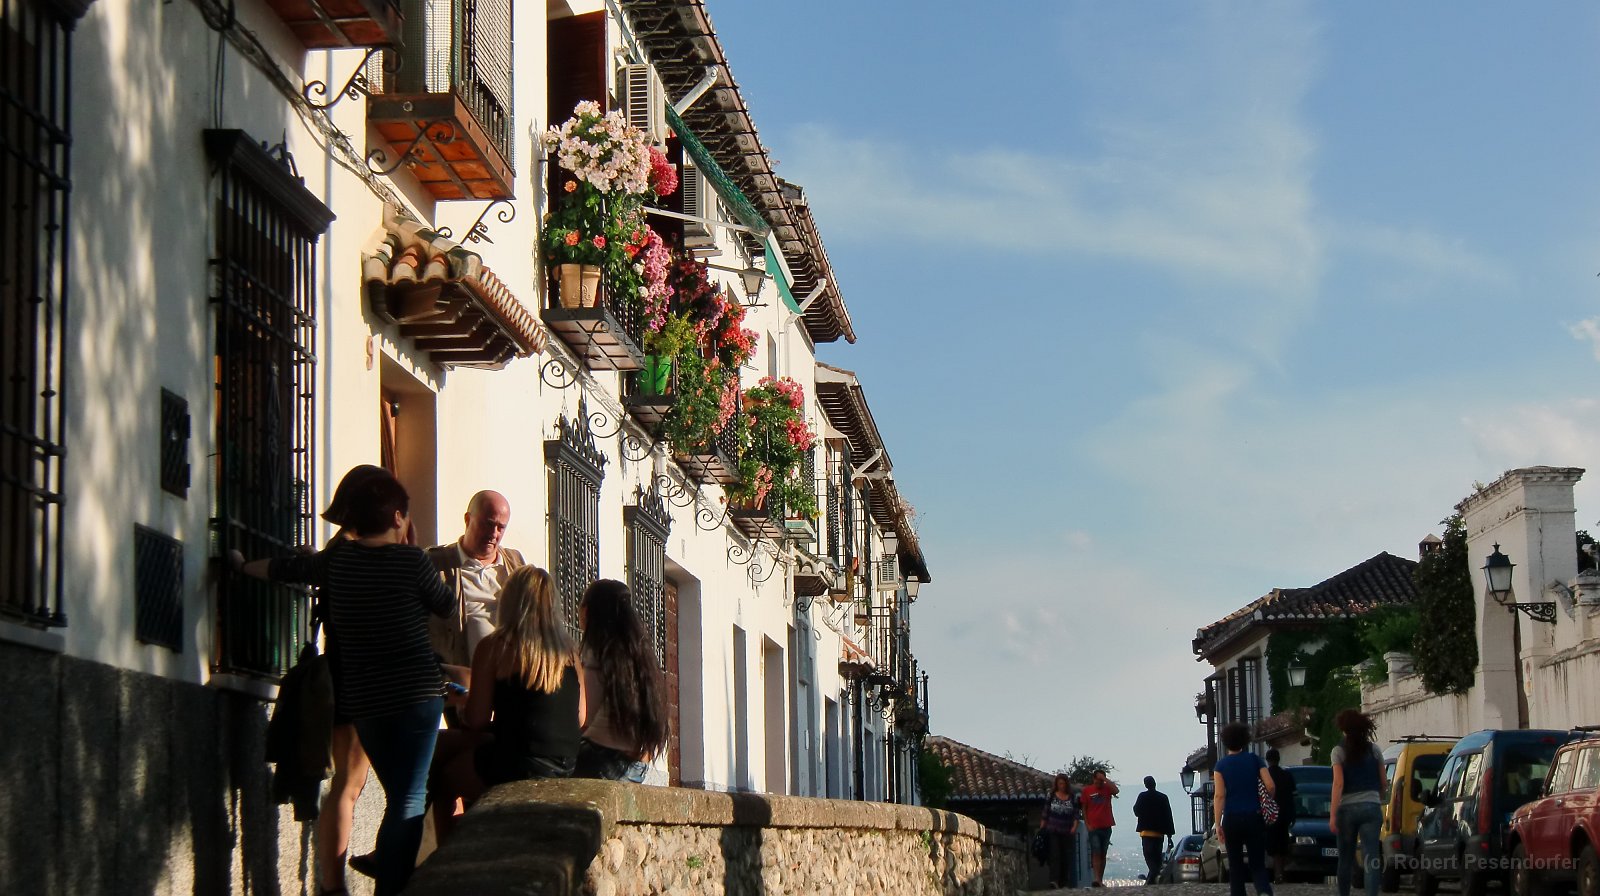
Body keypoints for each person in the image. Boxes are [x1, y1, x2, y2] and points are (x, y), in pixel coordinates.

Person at [233, 468, 454, 896]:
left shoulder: (337, 562)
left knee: (397, 795)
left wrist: (243, 566)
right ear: (397, 517)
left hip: (364, 699)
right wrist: (412, 554)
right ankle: (392, 889)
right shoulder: (413, 562)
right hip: (416, 695)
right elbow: (445, 606)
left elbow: (287, 568)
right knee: (408, 798)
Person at [431, 565, 585, 842]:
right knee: (454, 748)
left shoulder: (495, 646)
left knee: (442, 779)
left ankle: (447, 854)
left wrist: (463, 701)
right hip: (564, 763)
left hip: (517, 762)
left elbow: (476, 720)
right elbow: (581, 717)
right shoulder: (570, 652)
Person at [311, 465, 386, 895]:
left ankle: (333, 883)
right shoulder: (362, 555)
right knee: (350, 784)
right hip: (366, 681)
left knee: (348, 784)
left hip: (346, 673)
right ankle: (334, 885)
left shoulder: (337, 551)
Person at [572, 580, 670, 782]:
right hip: (637, 766)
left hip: (603, 762)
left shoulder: (598, 651)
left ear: (586, 611)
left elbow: (585, 717)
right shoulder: (638, 654)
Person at [427, 490, 527, 672]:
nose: (493, 533)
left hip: (509, 681)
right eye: (488, 524)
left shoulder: (516, 565)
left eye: (500, 527)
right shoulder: (436, 564)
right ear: (467, 519)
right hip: (457, 680)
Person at [1213, 722, 1275, 896]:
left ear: (1225, 742)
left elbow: (1219, 796)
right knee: (1257, 863)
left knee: (1235, 864)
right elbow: (1270, 785)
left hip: (1232, 819)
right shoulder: (1255, 760)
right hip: (1254, 817)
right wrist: (1266, 801)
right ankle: (1263, 891)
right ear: (1245, 740)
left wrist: (1218, 824)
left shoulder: (1221, 766)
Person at [1330, 709, 1386, 896]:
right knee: (1371, 858)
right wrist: (1375, 798)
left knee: (1345, 859)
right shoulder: (1374, 750)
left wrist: (1333, 815)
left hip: (1347, 809)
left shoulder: (1338, 751)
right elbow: (1384, 782)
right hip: (1372, 807)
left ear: (1343, 729)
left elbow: (1338, 784)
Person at [1039, 774, 1080, 889]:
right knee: (1055, 855)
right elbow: (1045, 813)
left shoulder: (1072, 797)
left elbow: (1076, 814)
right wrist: (1041, 829)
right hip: (1053, 829)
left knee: (1065, 856)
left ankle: (1064, 882)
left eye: (1063, 783)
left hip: (1067, 831)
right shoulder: (1051, 796)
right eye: (1059, 783)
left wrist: (1074, 827)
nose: (1062, 786)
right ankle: (1054, 880)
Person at [1133, 775, 1175, 885]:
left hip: (1146, 832)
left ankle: (1153, 875)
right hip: (1159, 833)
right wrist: (1170, 834)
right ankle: (1154, 876)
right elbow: (1168, 816)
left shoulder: (1142, 796)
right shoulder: (1163, 797)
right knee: (1156, 856)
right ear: (1154, 784)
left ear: (1145, 785)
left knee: (1149, 856)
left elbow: (1136, 811)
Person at [1081, 768, 1120, 886]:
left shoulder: (1107, 789)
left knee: (1103, 853)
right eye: (1097, 779)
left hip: (1106, 825)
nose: (1099, 782)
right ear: (1093, 779)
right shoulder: (1087, 790)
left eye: (1101, 780)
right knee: (1096, 851)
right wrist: (1087, 824)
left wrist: (1104, 778)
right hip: (1093, 826)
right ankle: (1096, 878)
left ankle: (1100, 879)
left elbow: (1116, 790)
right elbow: (1084, 808)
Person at [1264, 748, 1298, 884]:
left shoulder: (1264, 776)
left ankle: (1277, 874)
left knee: (1273, 846)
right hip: (1284, 815)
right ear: (1278, 759)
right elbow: (1293, 797)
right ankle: (1280, 873)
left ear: (1267, 760)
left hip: (1270, 815)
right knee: (1282, 845)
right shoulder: (1287, 775)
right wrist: (1293, 815)